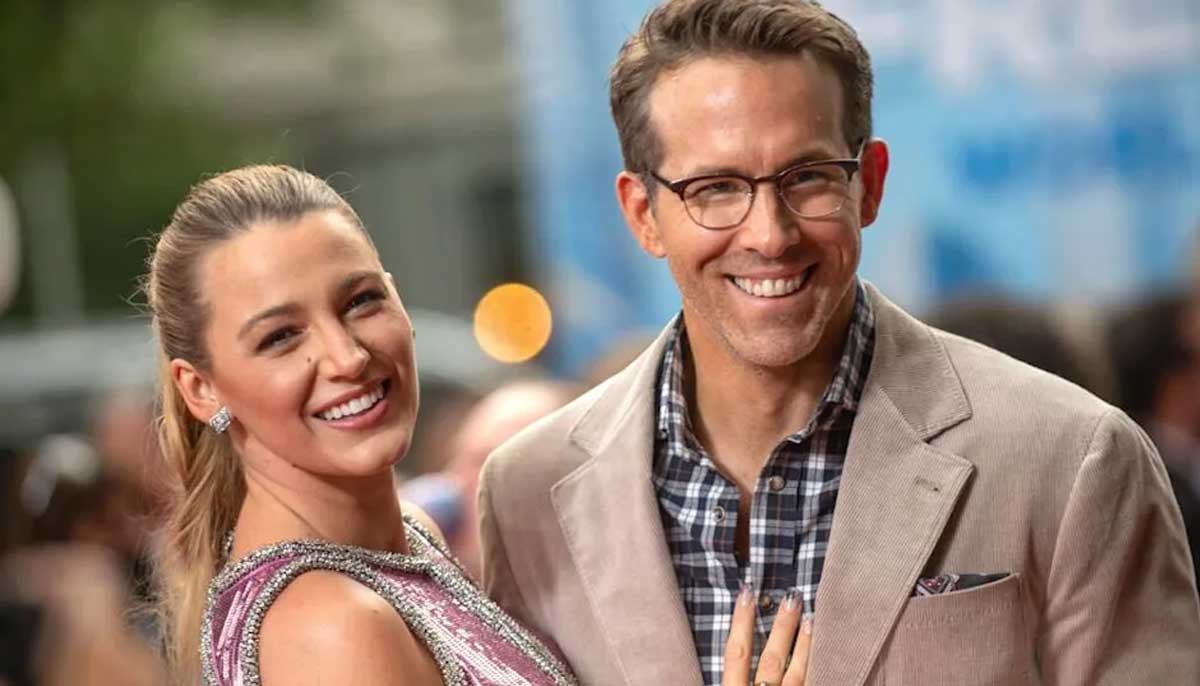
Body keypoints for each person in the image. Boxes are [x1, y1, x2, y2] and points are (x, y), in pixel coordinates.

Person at [477, 1, 1200, 684]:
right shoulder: (526, 493)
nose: (769, 234)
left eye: (808, 178)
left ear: (870, 184)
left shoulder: (1070, 456)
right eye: (716, 188)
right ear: (643, 213)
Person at [145, 164, 809, 686]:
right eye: (282, 338)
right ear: (199, 388)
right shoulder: (331, 624)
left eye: (361, 301)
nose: (347, 356)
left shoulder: (409, 542)